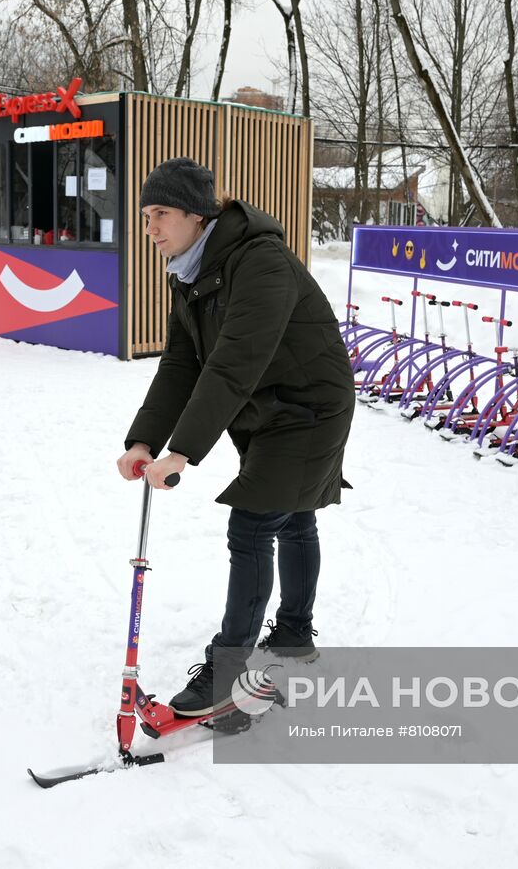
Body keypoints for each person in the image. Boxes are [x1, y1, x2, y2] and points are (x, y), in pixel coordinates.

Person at [116, 157, 354, 718]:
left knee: (252, 523)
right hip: (263, 406)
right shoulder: (191, 270)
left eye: (161, 214)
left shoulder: (260, 262)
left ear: (197, 216)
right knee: (293, 516)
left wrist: (183, 453)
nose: (150, 228)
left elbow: (232, 364)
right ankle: (294, 632)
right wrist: (145, 439)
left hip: (309, 406)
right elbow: (182, 363)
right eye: (146, 215)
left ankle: (227, 673)